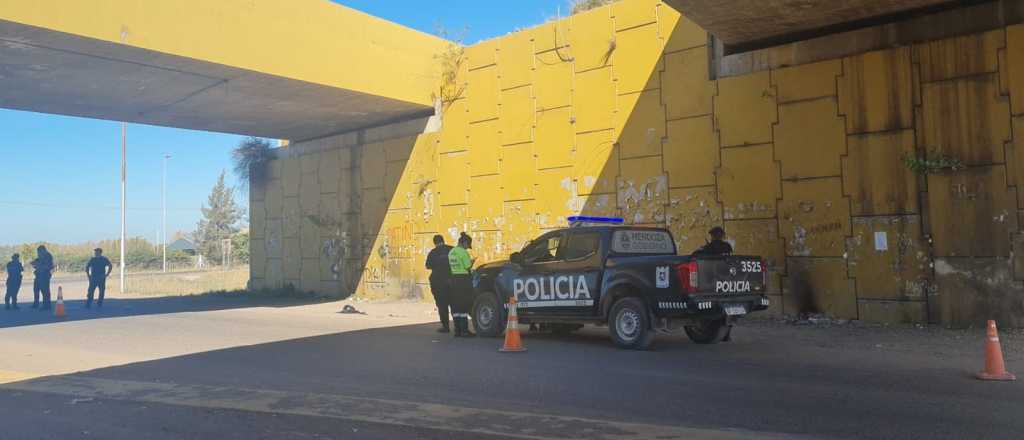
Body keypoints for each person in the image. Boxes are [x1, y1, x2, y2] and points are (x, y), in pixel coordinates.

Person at [447, 232, 476, 338]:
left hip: (454, 278)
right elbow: (467, 267)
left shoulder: (451, 252)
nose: (467, 248)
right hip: (463, 280)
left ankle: (457, 330)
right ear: (464, 242)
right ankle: (464, 331)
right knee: (463, 305)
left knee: (456, 305)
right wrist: (472, 262)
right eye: (467, 246)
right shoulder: (463, 253)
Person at [425, 235, 453, 333]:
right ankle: (458, 327)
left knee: (442, 305)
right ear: (443, 240)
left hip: (438, 282)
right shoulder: (451, 249)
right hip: (452, 280)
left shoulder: (433, 253)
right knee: (454, 304)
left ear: (435, 243)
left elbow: (428, 266)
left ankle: (445, 326)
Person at [31, 245, 54, 310]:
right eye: (38, 252)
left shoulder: (48, 256)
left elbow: (48, 265)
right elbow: (35, 262)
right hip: (38, 275)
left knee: (45, 291)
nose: (38, 253)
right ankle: (36, 303)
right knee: (36, 289)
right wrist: (35, 264)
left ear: (43, 250)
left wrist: (39, 265)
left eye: (39, 252)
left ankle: (46, 305)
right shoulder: (40, 257)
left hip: (45, 275)